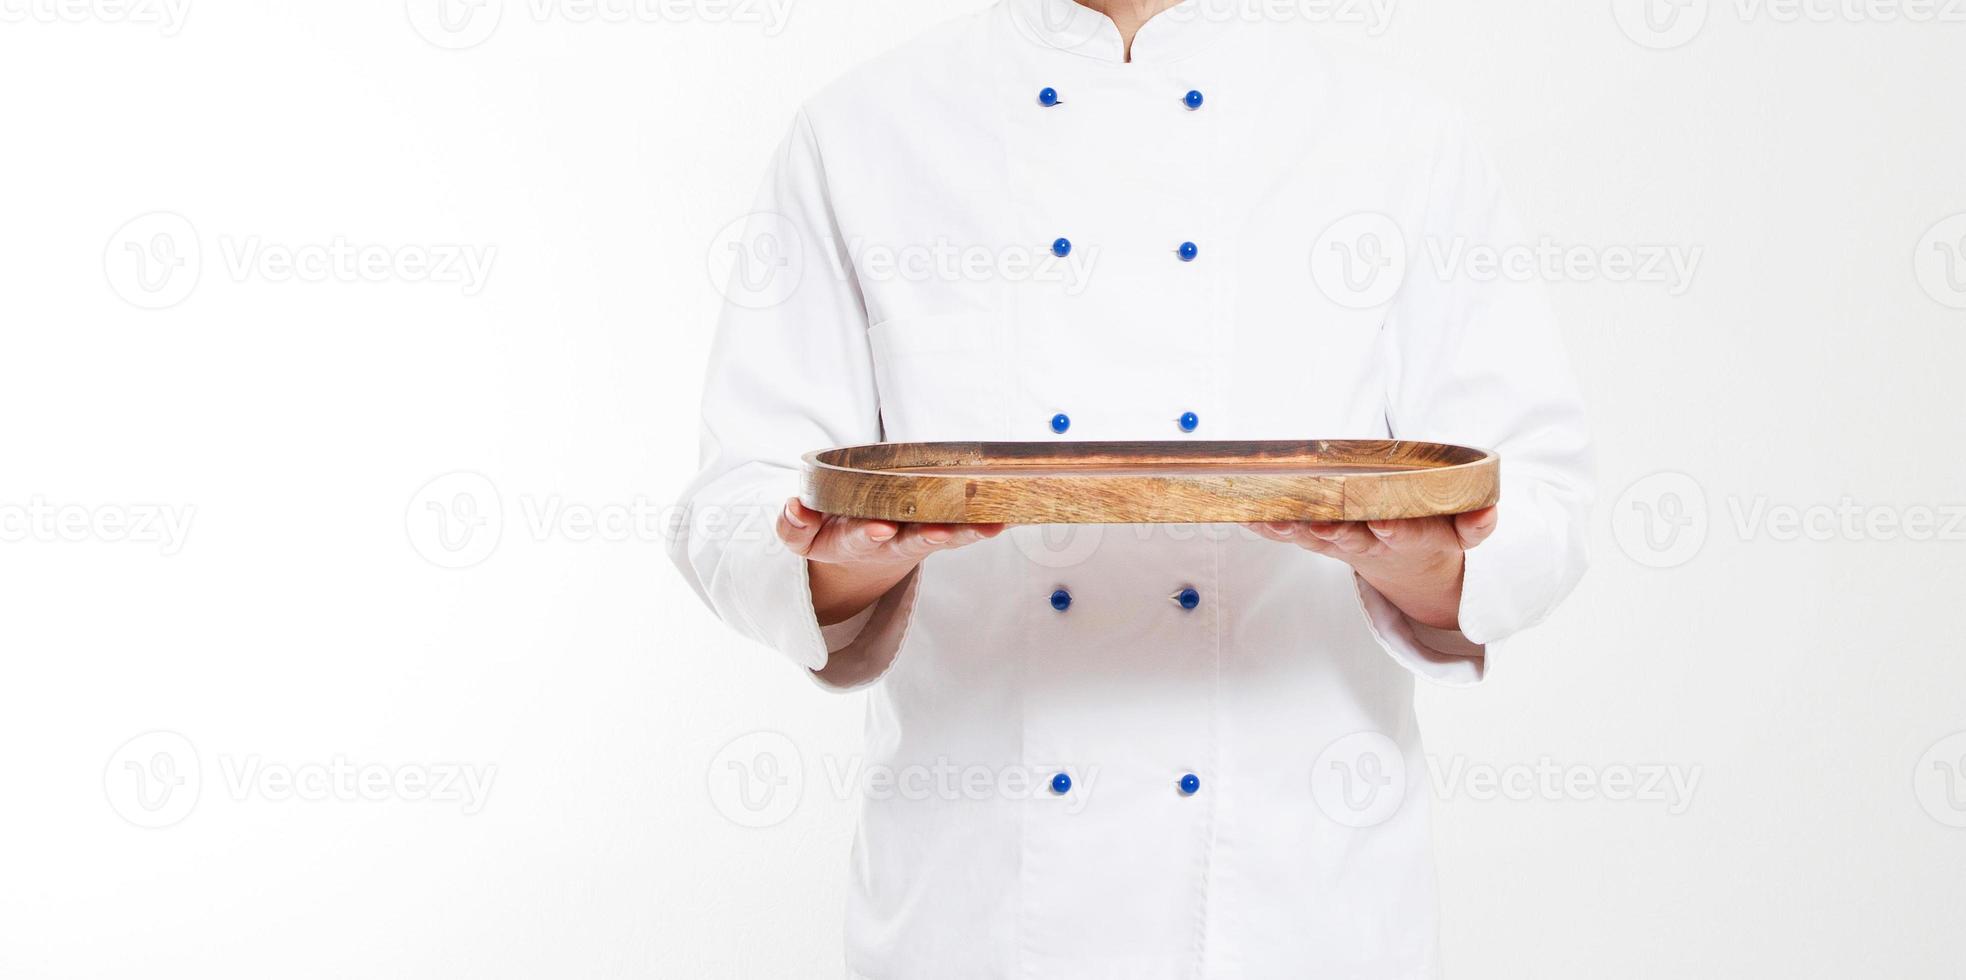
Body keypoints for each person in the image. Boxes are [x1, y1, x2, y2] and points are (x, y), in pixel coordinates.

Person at [670, 0, 1592, 974]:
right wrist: (841, 562)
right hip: (976, 907)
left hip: (1295, 904)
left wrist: (1426, 559)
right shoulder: (861, 130)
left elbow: (1544, 503)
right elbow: (732, 503)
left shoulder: (1399, 136)